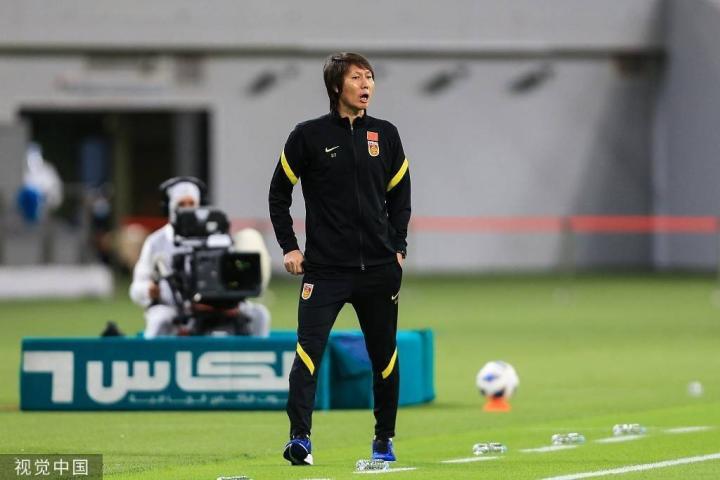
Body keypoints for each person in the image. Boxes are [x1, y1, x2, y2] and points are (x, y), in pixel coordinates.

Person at [269, 52, 411, 466]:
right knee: (308, 353)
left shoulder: (386, 134)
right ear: (336, 86)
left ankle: (383, 440)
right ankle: (300, 440)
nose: (366, 85)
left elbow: (401, 196)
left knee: (385, 358)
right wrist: (289, 247)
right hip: (325, 271)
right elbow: (279, 194)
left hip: (379, 271)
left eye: (370, 77)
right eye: (356, 78)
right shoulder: (307, 136)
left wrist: (398, 246)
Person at [130, 176, 271, 338]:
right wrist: (148, 290)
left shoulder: (218, 237)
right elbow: (136, 288)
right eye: (181, 204)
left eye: (191, 203)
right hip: (174, 307)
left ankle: (254, 353)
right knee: (161, 319)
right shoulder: (156, 242)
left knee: (259, 315)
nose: (187, 209)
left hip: (217, 304)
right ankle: (155, 354)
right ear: (169, 206)